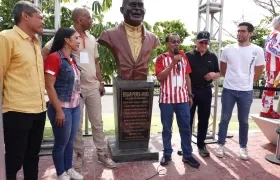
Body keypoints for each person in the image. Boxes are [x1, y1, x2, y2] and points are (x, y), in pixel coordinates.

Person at [41, 7, 116, 169]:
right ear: (79, 20)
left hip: (93, 87)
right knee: (77, 127)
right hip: (74, 90)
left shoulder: (91, 38)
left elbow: (96, 62)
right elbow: (44, 53)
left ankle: (102, 154)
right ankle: (79, 154)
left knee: (97, 122)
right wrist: (52, 74)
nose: (92, 20)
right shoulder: (66, 36)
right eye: (88, 17)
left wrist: (101, 82)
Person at [0, 1, 46, 180]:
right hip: (17, 111)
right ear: (25, 16)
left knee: (32, 158)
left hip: (39, 109)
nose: (43, 21)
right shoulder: (6, 38)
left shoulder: (35, 42)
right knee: (14, 160)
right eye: (40, 17)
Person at [215, 22, 265, 160]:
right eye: (238, 31)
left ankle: (243, 147)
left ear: (250, 33)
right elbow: (223, 69)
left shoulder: (258, 50)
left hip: (246, 91)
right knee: (224, 119)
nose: (240, 34)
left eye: (243, 31)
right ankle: (220, 144)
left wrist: (249, 82)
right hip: (229, 89)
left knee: (243, 120)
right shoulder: (228, 49)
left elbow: (259, 70)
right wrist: (233, 80)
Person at [155, 33, 200, 168]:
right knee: (167, 129)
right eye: (173, 41)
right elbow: (160, 78)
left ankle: (187, 155)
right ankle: (167, 154)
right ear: (167, 43)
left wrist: (190, 95)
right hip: (167, 100)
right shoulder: (161, 58)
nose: (176, 43)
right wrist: (172, 64)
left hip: (182, 99)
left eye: (178, 41)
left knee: (186, 127)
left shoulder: (184, 58)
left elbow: (187, 77)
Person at [44, 27, 84, 180]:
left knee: (70, 141)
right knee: (61, 142)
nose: (78, 41)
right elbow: (49, 86)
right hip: (62, 108)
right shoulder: (54, 58)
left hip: (74, 107)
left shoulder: (72, 58)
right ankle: (61, 172)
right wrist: (59, 110)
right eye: (76, 38)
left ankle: (69, 168)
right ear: (66, 40)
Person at [177, 31, 220, 157]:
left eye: (206, 42)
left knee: (204, 119)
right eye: (202, 42)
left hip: (206, 91)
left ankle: (201, 145)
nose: (204, 44)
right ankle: (186, 145)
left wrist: (213, 75)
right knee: (187, 119)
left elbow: (218, 73)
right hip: (190, 91)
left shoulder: (212, 56)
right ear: (196, 42)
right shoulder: (188, 55)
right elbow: (183, 74)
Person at [97, 0, 160, 80]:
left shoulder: (153, 38)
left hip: (142, 83)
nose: (137, 9)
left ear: (145, 11)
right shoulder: (108, 35)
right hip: (123, 81)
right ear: (122, 10)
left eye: (140, 5)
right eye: (132, 5)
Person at [260, 16, 280, 119]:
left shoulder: (271, 34)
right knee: (270, 88)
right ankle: (266, 110)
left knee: (271, 88)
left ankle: (268, 109)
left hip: (271, 65)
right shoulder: (277, 33)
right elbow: (270, 47)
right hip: (273, 66)